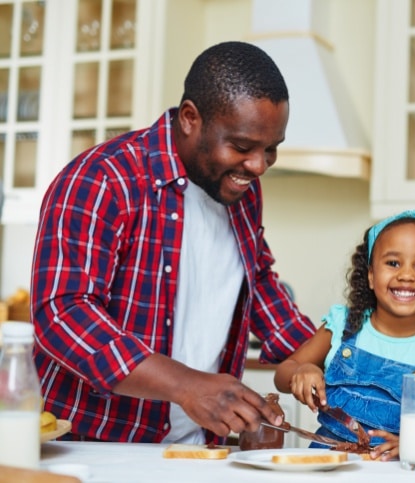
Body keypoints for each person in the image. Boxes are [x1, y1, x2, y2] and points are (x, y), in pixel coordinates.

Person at [30, 41, 317, 444]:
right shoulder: (103, 178)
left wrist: (331, 356)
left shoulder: (239, 191)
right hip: (92, 449)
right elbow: (62, 314)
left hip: (194, 450)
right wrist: (187, 385)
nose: (257, 166)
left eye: (270, 150)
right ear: (189, 118)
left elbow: (259, 281)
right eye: (241, 146)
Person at [274, 205, 415, 460]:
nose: (406, 275)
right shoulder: (343, 325)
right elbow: (283, 372)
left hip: (396, 471)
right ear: (371, 276)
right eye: (393, 263)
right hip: (327, 467)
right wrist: (301, 370)